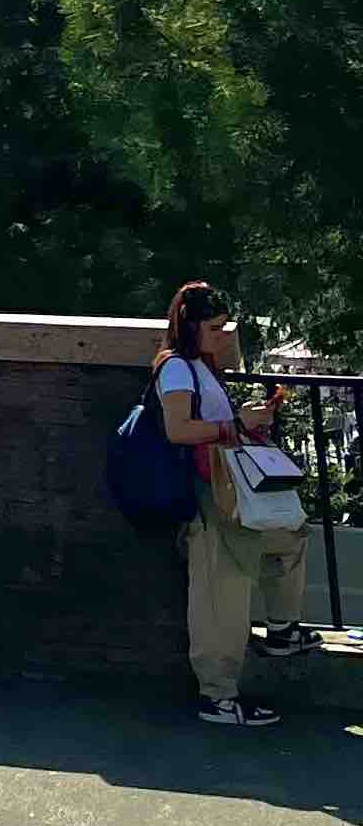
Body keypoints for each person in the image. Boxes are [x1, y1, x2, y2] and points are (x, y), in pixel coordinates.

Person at [156, 281, 313, 728]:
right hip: (208, 497)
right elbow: (178, 430)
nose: (222, 336)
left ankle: (282, 630)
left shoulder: (199, 367)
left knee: (290, 536)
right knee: (220, 598)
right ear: (190, 326)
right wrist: (234, 424)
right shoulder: (176, 370)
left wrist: (243, 419)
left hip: (228, 489)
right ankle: (218, 697)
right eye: (214, 327)